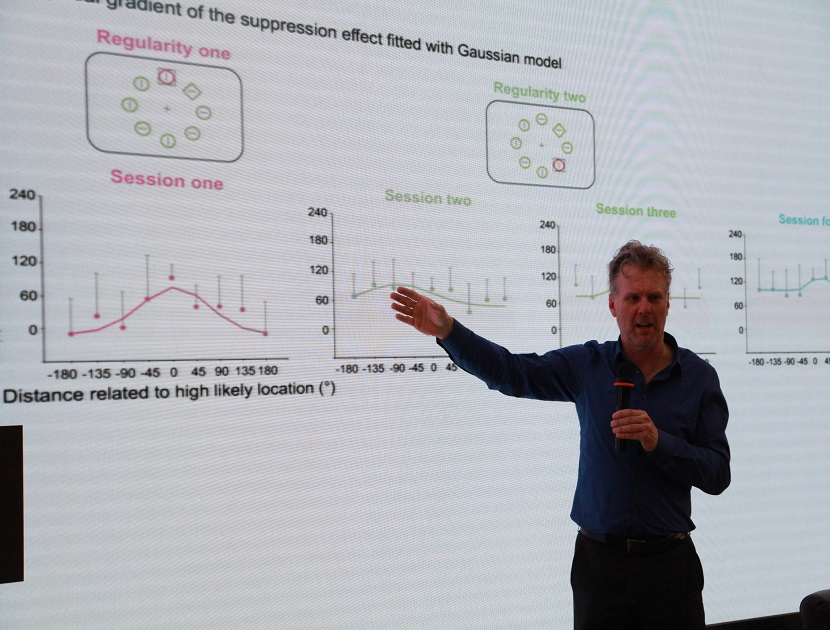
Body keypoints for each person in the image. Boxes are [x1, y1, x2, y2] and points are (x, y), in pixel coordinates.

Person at [389, 240, 730, 630]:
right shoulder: (588, 365)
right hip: (600, 568)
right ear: (613, 305)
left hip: (671, 570)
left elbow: (717, 474)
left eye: (654, 297)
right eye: (632, 297)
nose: (644, 308)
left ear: (668, 303)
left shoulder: (699, 378)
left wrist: (659, 442)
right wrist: (449, 331)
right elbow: (512, 373)